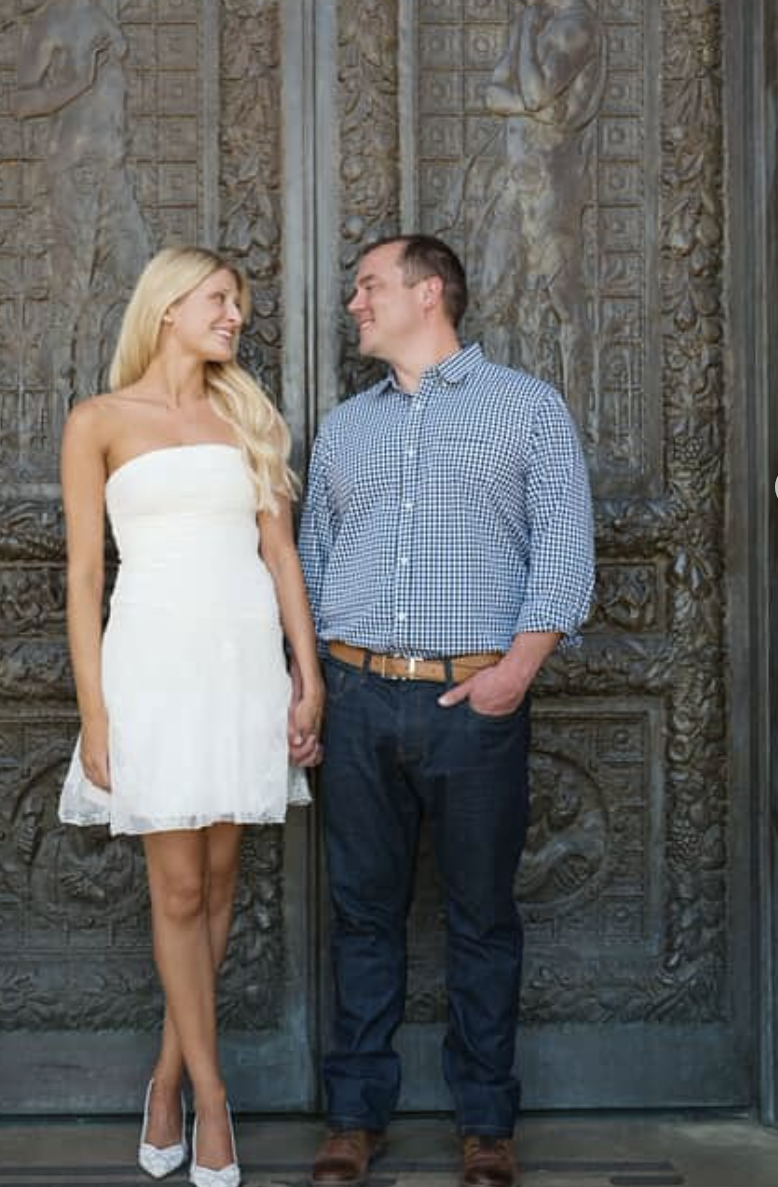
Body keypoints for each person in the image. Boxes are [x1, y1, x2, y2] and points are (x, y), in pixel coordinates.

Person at [298, 234, 594, 1187]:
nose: (354, 303)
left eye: (368, 286)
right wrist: (313, 685)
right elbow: (310, 566)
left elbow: (565, 554)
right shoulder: (346, 426)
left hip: (475, 704)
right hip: (356, 697)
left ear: (429, 294)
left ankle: (486, 1126)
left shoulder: (528, 410)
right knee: (361, 915)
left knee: (481, 919)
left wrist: (515, 672)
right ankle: (353, 1117)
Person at [57, 245, 323, 1187]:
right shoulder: (98, 422)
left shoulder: (246, 416)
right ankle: (212, 1100)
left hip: (242, 663)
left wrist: (308, 673)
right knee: (175, 890)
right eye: (221, 300)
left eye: (240, 305)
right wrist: (95, 714)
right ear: (168, 306)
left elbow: (282, 556)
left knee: (216, 885)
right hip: (152, 668)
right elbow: (86, 577)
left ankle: (166, 1076)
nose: (235, 317)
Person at [15, 0, 173, 406]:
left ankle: (126, 392)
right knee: (72, 287)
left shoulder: (106, 1)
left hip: (113, 169)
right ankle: (54, 403)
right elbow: (22, 101)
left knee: (143, 280)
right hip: (75, 170)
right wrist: (79, 82)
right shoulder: (51, 24)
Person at [466, 0, 606, 439]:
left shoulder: (575, 25)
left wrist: (525, 33)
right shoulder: (535, 18)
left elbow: (536, 89)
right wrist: (528, 101)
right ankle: (500, 418)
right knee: (498, 292)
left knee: (562, 301)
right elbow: (495, 94)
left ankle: (574, 422)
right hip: (514, 179)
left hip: (552, 187)